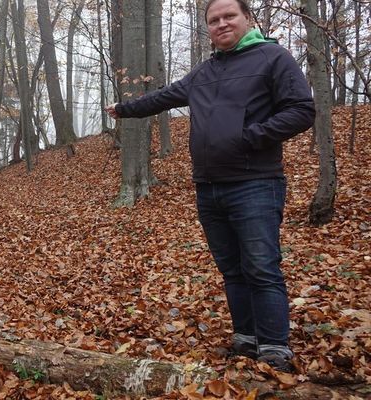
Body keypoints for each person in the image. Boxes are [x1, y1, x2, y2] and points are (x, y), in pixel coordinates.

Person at [105, 0, 315, 372]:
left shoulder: (273, 58)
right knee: (232, 270)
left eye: (229, 16)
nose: (221, 24)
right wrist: (124, 109)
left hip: (255, 183)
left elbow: (300, 109)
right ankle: (247, 339)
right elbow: (164, 97)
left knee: (262, 267)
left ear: (248, 19)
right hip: (208, 187)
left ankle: (274, 348)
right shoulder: (204, 72)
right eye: (214, 20)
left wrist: (250, 137)